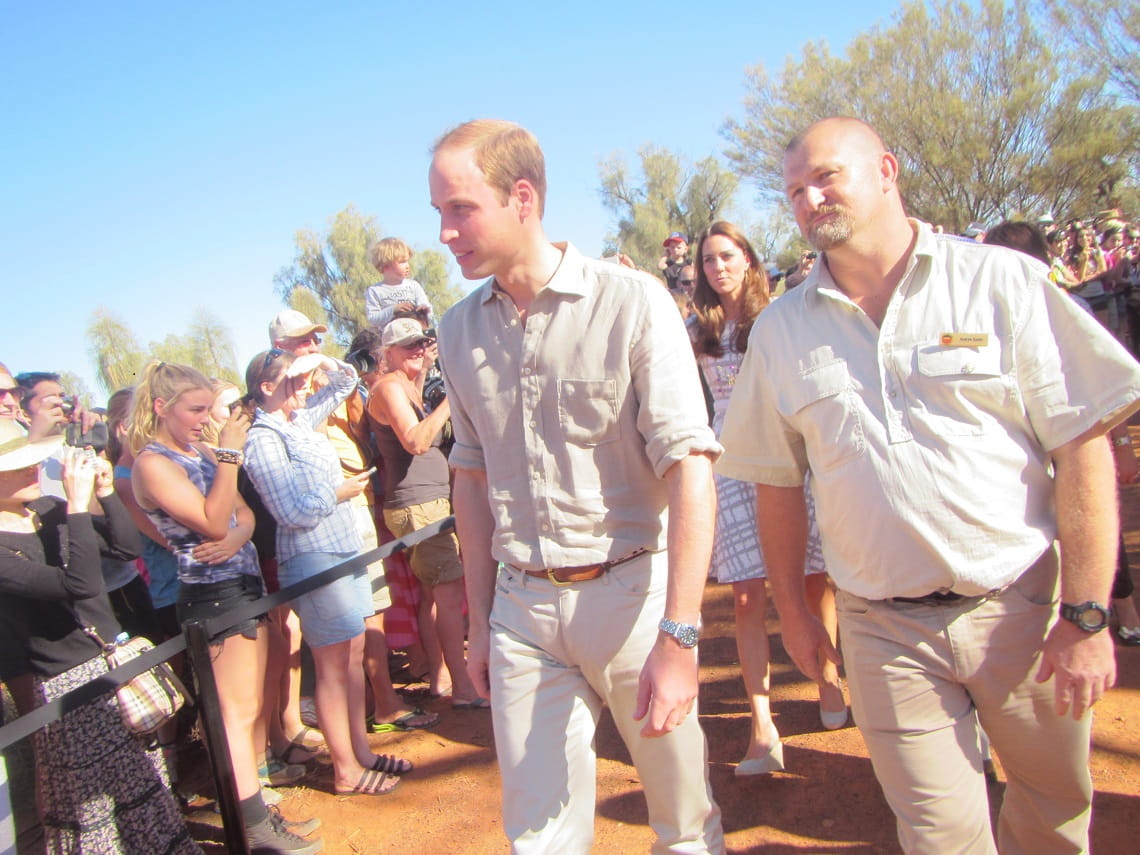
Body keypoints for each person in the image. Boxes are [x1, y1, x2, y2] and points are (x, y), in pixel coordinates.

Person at [717, 116, 1140, 854]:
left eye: (826, 177)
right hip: (883, 630)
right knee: (939, 835)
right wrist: (794, 608)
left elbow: (1083, 444)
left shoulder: (998, 281)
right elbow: (776, 481)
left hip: (1021, 610)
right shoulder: (780, 331)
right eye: (793, 192)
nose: (810, 198)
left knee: (1054, 813)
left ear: (886, 170)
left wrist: (1087, 614)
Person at [431, 119, 724, 853]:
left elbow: (691, 466)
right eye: (438, 212)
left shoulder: (633, 302)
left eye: (459, 208)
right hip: (521, 608)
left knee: (683, 823)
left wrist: (681, 631)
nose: (444, 231)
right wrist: (479, 615)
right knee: (537, 835)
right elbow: (469, 478)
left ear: (521, 197)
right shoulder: (458, 330)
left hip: (632, 596)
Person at [129, 361, 321, 854]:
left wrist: (235, 532)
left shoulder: (199, 451)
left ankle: (255, 815)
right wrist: (230, 481)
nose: (202, 418)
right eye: (194, 409)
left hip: (241, 584)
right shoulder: (153, 462)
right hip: (212, 596)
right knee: (235, 716)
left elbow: (243, 515)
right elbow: (215, 520)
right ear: (160, 408)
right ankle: (251, 827)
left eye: (204, 408)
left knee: (250, 708)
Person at [689, 221, 845, 777]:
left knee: (811, 579)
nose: (718, 267)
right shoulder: (695, 327)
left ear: (749, 260)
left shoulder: (780, 316)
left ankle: (828, 679)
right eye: (708, 260)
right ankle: (762, 726)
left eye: (727, 256)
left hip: (784, 450)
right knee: (746, 598)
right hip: (729, 458)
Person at [0, 436, 200, 854]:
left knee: (146, 785)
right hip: (69, 689)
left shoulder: (46, 510)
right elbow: (78, 584)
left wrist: (106, 493)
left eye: (32, 461)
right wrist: (75, 504)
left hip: (111, 665)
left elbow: (126, 548)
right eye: (16, 466)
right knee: (96, 812)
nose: (33, 470)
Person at [242, 348, 411, 797]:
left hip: (344, 549)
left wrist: (321, 361)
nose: (304, 384)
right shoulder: (263, 437)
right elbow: (291, 512)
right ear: (266, 386)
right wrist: (337, 493)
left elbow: (342, 384)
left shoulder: (296, 420)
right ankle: (345, 770)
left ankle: (361, 751)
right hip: (313, 557)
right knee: (334, 666)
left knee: (353, 653)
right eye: (293, 379)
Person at [368, 318, 482, 709]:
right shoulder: (387, 386)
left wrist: (423, 376)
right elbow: (416, 440)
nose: (418, 350)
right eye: (408, 346)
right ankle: (466, 689)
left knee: (434, 596)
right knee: (448, 597)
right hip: (419, 505)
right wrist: (451, 400)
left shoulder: (401, 385)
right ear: (388, 353)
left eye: (422, 343)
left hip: (423, 502)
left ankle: (442, 679)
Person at [365, 236, 435, 331]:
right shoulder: (375, 291)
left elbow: (429, 312)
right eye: (402, 262)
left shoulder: (413, 286)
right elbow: (373, 319)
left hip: (416, 333)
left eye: (407, 261)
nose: (407, 266)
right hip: (391, 339)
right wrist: (393, 310)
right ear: (386, 265)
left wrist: (425, 311)